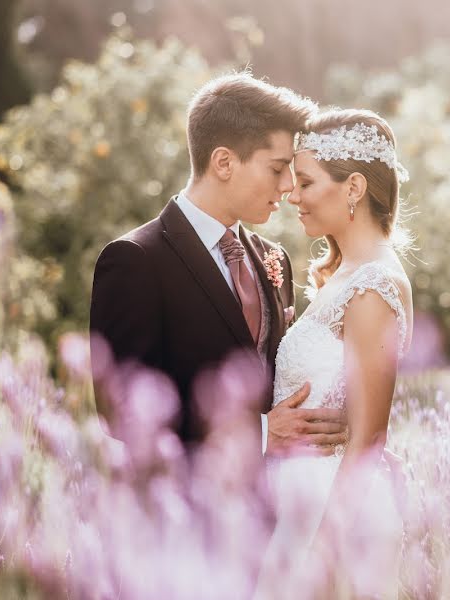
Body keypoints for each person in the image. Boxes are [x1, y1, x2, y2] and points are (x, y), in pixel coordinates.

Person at [88, 72, 348, 465]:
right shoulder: (134, 260)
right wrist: (259, 433)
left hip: (276, 504)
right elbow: (120, 412)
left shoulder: (274, 258)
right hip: (184, 512)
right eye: (277, 168)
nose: (288, 187)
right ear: (224, 162)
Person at [256, 108, 414, 599]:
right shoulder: (344, 276)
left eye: (305, 182)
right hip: (296, 506)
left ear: (354, 188)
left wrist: (321, 561)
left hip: (333, 519)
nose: (291, 195)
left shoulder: (373, 286)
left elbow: (367, 440)